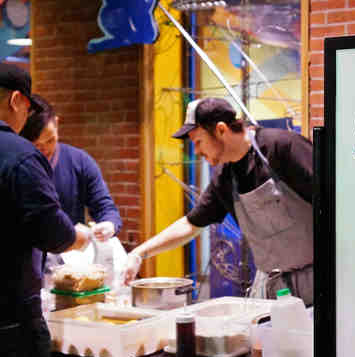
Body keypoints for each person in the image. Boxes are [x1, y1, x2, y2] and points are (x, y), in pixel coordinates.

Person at [123, 97, 314, 305]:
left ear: (221, 130)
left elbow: (334, 203)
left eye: (198, 141)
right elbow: (191, 224)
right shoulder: (224, 177)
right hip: (271, 288)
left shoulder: (282, 147)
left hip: (314, 282)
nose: (196, 151)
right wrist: (139, 253)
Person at [0, 63, 92, 357]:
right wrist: (79, 236)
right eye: (27, 109)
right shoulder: (21, 155)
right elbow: (54, 233)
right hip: (11, 324)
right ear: (16, 100)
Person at [19, 94, 122, 243]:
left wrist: (109, 224)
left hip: (71, 251)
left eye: (50, 140)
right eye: (36, 145)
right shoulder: (15, 165)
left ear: (57, 123)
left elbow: (105, 208)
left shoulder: (79, 161)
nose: (45, 149)